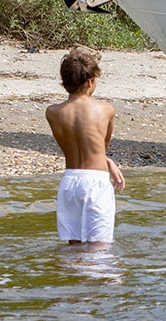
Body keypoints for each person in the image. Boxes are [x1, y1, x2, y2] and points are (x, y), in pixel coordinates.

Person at [45, 46, 125, 245]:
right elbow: (100, 147)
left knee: (74, 247)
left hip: (70, 183)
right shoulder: (105, 109)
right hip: (96, 183)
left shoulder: (53, 112)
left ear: (65, 83)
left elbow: (77, 143)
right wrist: (107, 161)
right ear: (90, 82)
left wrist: (108, 161)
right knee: (99, 248)